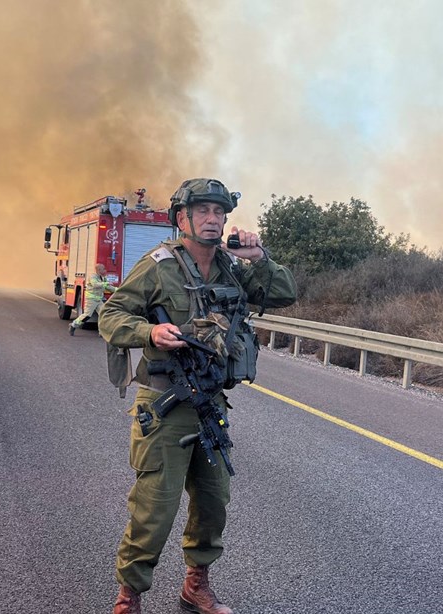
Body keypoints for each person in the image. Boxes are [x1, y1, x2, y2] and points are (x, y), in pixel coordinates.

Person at [99, 178, 297, 614]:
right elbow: (110, 314)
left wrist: (259, 257)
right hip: (164, 405)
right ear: (182, 218)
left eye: (219, 212)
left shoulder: (231, 268)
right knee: (154, 509)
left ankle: (196, 586)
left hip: (210, 404)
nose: (212, 219)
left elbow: (284, 293)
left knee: (212, 504)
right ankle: (128, 596)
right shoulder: (158, 265)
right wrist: (148, 331)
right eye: (203, 211)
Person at [70, 263, 118, 335]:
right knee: (87, 315)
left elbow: (108, 287)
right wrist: (105, 284)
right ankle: (73, 325)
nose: (105, 270)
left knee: (103, 314)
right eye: (103, 269)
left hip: (99, 300)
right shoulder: (93, 277)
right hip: (91, 300)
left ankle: (101, 332)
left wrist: (118, 290)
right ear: (99, 270)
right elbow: (95, 285)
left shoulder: (102, 277)